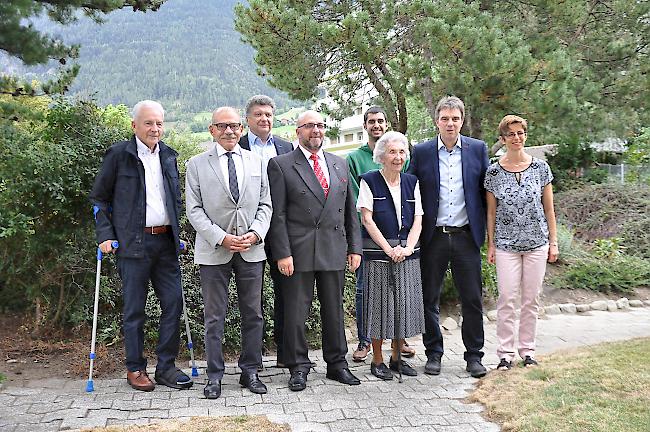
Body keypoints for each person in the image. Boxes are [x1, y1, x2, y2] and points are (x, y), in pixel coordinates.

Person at [90, 100, 193, 392]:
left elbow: (173, 200)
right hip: (132, 243)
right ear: (134, 125)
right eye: (148, 123)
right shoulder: (119, 155)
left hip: (165, 242)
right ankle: (135, 368)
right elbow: (99, 199)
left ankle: (166, 367)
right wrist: (104, 235)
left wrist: (177, 232)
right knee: (135, 309)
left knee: (173, 303)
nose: (155, 128)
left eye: (159, 123)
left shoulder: (170, 156)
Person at [267, 110, 362, 391]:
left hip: (333, 247)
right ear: (298, 131)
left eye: (320, 125)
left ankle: (337, 364)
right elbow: (278, 215)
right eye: (309, 126)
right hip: (297, 251)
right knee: (296, 312)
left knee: (334, 310)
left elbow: (349, 210)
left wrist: (354, 247)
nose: (316, 131)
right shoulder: (281, 165)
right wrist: (282, 253)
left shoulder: (339, 164)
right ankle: (298, 366)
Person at [185, 107, 272, 399]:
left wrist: (256, 233)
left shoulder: (257, 161)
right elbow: (193, 210)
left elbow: (265, 204)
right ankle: (215, 376)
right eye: (223, 126)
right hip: (213, 251)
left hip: (251, 249)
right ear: (212, 130)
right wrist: (221, 238)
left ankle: (250, 371)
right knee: (214, 317)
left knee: (253, 314)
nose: (230, 131)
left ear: (241, 129)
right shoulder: (196, 164)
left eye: (235, 126)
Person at [408, 95, 489, 378]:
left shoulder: (478, 150)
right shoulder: (422, 151)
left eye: (455, 119)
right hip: (434, 237)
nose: (450, 123)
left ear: (462, 120)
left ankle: (474, 356)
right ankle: (434, 353)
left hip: (467, 237)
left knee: (472, 299)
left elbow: (484, 192)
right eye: (445, 119)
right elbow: (411, 192)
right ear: (437, 121)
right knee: (429, 298)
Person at [485, 115, 559, 370]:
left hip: (537, 243)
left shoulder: (540, 168)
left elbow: (549, 210)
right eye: (511, 134)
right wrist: (491, 244)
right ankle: (505, 354)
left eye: (520, 133)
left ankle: (527, 351)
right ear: (503, 139)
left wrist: (553, 242)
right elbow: (491, 213)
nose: (517, 138)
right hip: (506, 245)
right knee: (506, 298)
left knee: (531, 299)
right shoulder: (493, 171)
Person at [346, 106, 416, 362]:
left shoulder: (402, 156)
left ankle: (400, 340)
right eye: (371, 121)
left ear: (386, 125)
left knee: (399, 290)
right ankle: (365, 340)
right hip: (368, 236)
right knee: (367, 290)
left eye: (380, 121)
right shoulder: (355, 159)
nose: (376, 125)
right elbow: (354, 200)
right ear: (365, 125)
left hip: (399, 237)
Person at [356, 131, 425, 380]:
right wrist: (389, 249)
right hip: (378, 254)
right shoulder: (369, 180)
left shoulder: (411, 181)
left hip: (407, 253)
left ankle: (397, 358)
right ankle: (377, 360)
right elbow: (367, 219)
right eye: (392, 152)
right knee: (378, 306)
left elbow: (418, 219)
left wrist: (407, 248)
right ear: (381, 156)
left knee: (403, 305)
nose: (397, 157)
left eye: (401, 152)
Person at [238, 95, 293, 368]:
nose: (264, 119)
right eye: (258, 114)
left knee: (287, 294)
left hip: (281, 232)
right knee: (252, 300)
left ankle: (285, 355)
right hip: (250, 232)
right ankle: (254, 358)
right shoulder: (236, 145)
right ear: (247, 119)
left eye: (269, 115)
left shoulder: (286, 146)